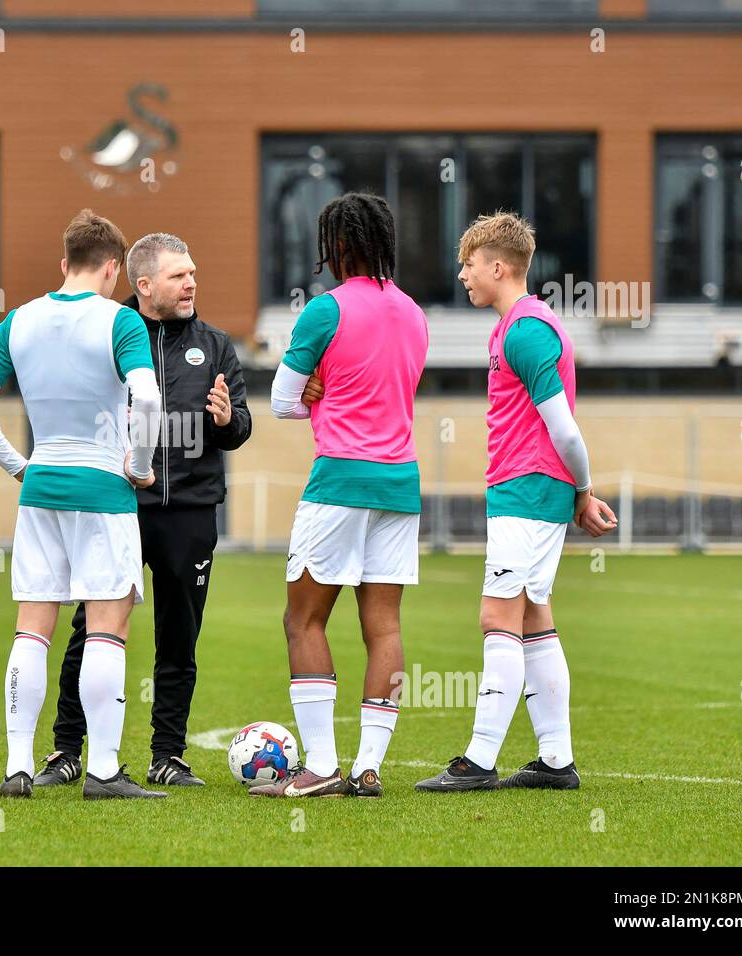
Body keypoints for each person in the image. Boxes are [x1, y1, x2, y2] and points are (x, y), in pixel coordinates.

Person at [0, 209, 166, 800]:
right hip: (103, 489)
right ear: (113, 268)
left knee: (32, 629)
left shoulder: (19, 319)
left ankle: (18, 767)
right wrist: (141, 467)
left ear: (64, 262)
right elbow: (147, 402)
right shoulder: (120, 321)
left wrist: (18, 465)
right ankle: (102, 770)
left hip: (42, 485)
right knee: (106, 627)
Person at [35, 232, 252, 790]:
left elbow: (242, 430)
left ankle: (167, 755)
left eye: (193, 272)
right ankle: (66, 751)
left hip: (190, 514)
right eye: (179, 275)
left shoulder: (217, 345)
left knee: (179, 637)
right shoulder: (108, 332)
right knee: (90, 631)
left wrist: (228, 420)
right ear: (144, 283)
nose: (192, 283)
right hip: (118, 507)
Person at [415, 211, 617, 793]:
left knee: (496, 617)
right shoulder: (515, 327)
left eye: (469, 265)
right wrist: (575, 491)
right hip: (529, 489)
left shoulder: (527, 331)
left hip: (528, 489)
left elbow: (566, 429)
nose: (462, 276)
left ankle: (478, 761)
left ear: (498, 266)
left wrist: (582, 490)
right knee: (533, 618)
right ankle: (556, 762)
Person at [258, 192, 428, 798]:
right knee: (384, 626)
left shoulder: (322, 312)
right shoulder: (415, 313)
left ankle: (321, 767)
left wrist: (315, 395)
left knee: (303, 619)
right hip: (401, 482)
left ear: (337, 247)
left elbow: (280, 401)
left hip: (339, 482)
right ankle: (369, 769)